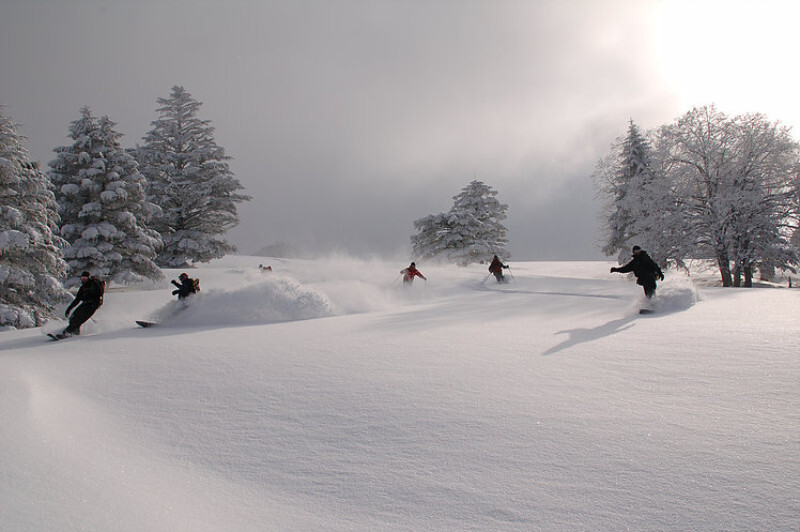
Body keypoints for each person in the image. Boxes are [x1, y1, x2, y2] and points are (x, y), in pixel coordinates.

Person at [59, 271, 105, 338]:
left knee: (79, 319)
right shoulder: (83, 288)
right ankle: (74, 332)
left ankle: (69, 332)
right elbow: (77, 300)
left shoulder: (94, 285)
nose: (83, 280)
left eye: (85, 278)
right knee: (73, 317)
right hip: (85, 304)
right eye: (82, 278)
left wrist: (97, 302)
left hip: (93, 305)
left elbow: (100, 293)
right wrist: (69, 309)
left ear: (89, 278)